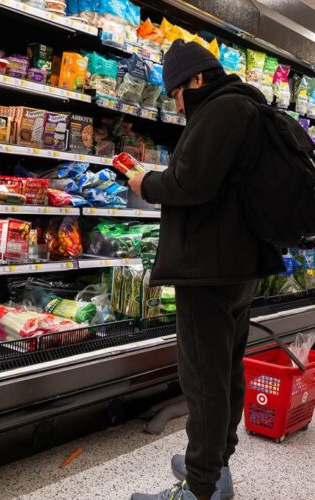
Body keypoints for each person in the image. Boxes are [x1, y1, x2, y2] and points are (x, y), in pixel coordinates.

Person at [129, 39, 284, 500]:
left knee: (203, 380)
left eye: (177, 93)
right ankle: (215, 465)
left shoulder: (219, 111)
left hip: (208, 271)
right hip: (238, 264)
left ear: (196, 79)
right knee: (224, 372)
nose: (177, 105)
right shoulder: (247, 107)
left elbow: (188, 183)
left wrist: (144, 181)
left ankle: (198, 488)